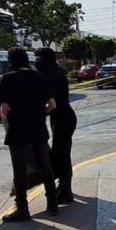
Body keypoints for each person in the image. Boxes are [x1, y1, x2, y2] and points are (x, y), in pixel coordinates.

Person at [0, 47, 58, 222]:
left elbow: (3, 111)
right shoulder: (40, 77)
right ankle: (52, 204)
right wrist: (39, 114)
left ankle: (22, 209)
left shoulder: (8, 78)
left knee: (19, 169)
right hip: (38, 127)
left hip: (17, 129)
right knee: (44, 165)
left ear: (11, 60)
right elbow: (52, 105)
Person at [35, 48, 78, 204]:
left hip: (63, 119)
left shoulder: (52, 76)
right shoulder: (54, 72)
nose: (37, 62)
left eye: (39, 58)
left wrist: (39, 115)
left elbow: (53, 104)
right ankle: (64, 186)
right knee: (61, 154)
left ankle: (66, 191)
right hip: (61, 118)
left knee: (62, 155)